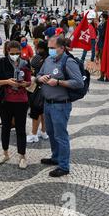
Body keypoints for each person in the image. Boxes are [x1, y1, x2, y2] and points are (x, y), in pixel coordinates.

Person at [37, 36, 84, 177]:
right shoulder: (48, 60)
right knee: (51, 133)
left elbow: (78, 82)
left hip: (60, 105)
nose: (50, 51)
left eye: (53, 48)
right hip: (48, 103)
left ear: (62, 48)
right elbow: (38, 74)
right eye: (49, 48)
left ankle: (64, 166)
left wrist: (58, 82)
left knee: (60, 135)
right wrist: (41, 78)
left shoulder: (68, 61)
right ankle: (55, 157)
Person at [0, 40, 31, 169]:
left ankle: (22, 156)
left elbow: (30, 82)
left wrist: (23, 84)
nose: (15, 55)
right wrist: (7, 81)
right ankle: (5, 153)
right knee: (6, 127)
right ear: (8, 51)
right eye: (12, 53)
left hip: (21, 101)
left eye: (17, 53)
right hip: (5, 101)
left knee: (21, 128)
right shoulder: (1, 63)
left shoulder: (25, 63)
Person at [27, 40, 49, 143]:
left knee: (35, 110)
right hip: (47, 88)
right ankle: (43, 131)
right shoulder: (50, 59)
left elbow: (32, 66)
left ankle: (34, 134)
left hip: (37, 88)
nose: (36, 49)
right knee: (42, 111)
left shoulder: (38, 58)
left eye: (38, 48)